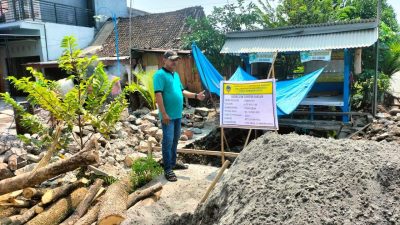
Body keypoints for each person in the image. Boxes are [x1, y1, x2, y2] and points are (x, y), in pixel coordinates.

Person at [154, 50, 205, 182]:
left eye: (176, 60)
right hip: (168, 116)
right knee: (168, 141)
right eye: (172, 60)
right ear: (164, 60)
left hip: (177, 115)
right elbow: (158, 95)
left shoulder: (175, 75)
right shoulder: (159, 75)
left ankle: (173, 162)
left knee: (175, 139)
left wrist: (195, 96)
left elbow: (182, 92)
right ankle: (167, 169)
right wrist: (163, 113)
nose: (174, 62)